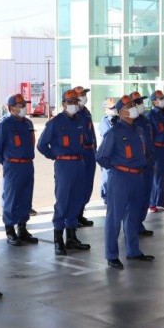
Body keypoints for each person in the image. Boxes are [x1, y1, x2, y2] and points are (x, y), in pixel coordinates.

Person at [96, 95, 153, 269]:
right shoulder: (114, 132)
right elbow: (101, 156)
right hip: (120, 178)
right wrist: (117, 168)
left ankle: (133, 251)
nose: (134, 107)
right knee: (115, 217)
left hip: (138, 176)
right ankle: (112, 255)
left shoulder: (139, 130)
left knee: (133, 216)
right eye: (129, 105)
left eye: (134, 104)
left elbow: (146, 152)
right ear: (121, 112)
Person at [37, 90, 91, 256]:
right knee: (63, 201)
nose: (74, 104)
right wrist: (56, 156)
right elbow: (41, 145)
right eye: (70, 101)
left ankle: (72, 237)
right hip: (65, 165)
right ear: (63, 104)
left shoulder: (80, 120)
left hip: (79, 163)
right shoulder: (55, 123)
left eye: (76, 100)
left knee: (76, 200)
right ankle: (58, 239)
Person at [0, 94, 38, 246]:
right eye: (20, 105)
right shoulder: (4, 125)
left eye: (24, 104)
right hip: (13, 165)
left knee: (26, 197)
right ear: (11, 108)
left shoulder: (28, 123)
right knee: (12, 197)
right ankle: (9, 229)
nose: (23, 107)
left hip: (27, 164)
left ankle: (22, 228)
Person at [130, 91, 155, 237]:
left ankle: (139, 223)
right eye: (137, 102)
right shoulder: (130, 123)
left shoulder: (145, 120)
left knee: (146, 195)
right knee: (136, 197)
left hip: (149, 163)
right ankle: (132, 225)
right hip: (137, 166)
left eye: (141, 101)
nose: (140, 105)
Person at [146, 90, 164, 212]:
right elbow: (149, 135)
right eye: (160, 98)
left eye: (163, 98)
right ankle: (152, 203)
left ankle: (161, 201)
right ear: (154, 101)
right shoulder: (151, 115)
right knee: (155, 177)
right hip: (157, 149)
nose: (163, 100)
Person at [74, 86, 97, 227]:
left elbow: (91, 131)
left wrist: (95, 148)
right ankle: (73, 215)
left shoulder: (86, 112)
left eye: (84, 94)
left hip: (89, 152)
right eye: (81, 95)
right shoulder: (73, 114)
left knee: (87, 185)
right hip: (80, 153)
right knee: (78, 186)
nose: (84, 97)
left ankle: (80, 213)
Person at [98, 97, 119, 202]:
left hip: (117, 154)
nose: (114, 110)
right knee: (106, 176)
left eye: (115, 107)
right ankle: (106, 196)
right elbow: (108, 135)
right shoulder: (105, 121)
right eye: (111, 108)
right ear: (105, 110)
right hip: (108, 153)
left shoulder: (118, 120)